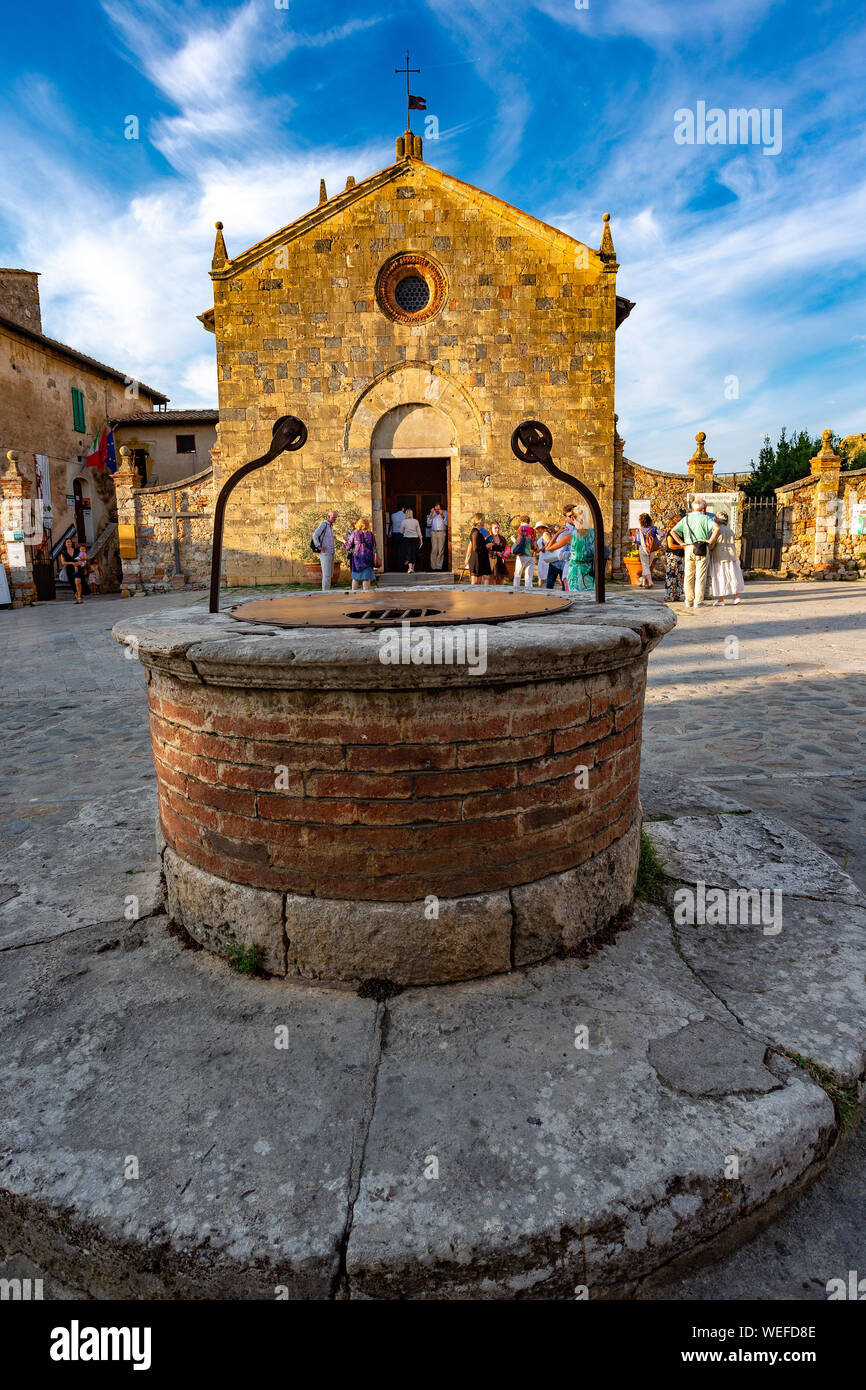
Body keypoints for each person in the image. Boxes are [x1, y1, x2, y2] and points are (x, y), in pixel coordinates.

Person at [671, 499, 715, 609]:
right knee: (700, 576)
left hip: (689, 547)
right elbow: (717, 528)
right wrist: (710, 540)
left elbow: (673, 531)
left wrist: (681, 543)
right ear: (703, 508)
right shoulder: (706, 518)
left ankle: (688, 600)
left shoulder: (685, 519)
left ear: (692, 508)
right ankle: (698, 601)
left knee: (689, 575)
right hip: (702, 548)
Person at [708, 509, 744, 605]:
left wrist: (708, 546)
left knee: (721, 576)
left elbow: (712, 543)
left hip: (720, 556)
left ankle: (721, 599)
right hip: (731, 556)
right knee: (733, 576)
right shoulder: (730, 530)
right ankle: (736, 597)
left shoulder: (717, 530)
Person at [544, 506, 576, 590]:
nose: (573, 518)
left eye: (575, 515)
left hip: (572, 568)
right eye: (570, 516)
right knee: (550, 586)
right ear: (565, 518)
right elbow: (560, 554)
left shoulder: (581, 529)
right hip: (557, 564)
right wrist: (576, 554)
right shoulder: (564, 532)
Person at [345, 517, 378, 592]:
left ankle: (354, 596)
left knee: (355, 579)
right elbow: (374, 546)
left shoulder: (354, 533)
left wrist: (344, 542)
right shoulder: (370, 534)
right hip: (368, 558)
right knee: (366, 579)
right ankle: (366, 596)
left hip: (357, 559)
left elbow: (348, 546)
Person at [632, 512, 662, 589]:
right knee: (647, 565)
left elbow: (638, 541)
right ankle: (643, 582)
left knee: (645, 565)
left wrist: (633, 538)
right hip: (652, 549)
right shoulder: (654, 528)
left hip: (643, 548)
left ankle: (650, 581)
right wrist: (658, 542)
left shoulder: (639, 530)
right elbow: (662, 534)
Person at [566, 515, 595, 592]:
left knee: (575, 595)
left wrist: (558, 533)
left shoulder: (572, 535)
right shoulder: (593, 532)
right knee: (590, 594)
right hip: (589, 569)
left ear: (573, 518)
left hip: (575, 571)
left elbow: (550, 548)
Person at [311, 509, 338, 591]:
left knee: (329, 574)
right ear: (328, 517)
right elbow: (315, 535)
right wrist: (318, 546)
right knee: (326, 575)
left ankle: (327, 591)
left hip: (331, 552)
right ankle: (325, 593)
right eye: (333, 517)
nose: (335, 519)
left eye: (335, 517)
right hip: (325, 553)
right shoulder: (324, 525)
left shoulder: (330, 526)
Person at [664, 513, 686, 603]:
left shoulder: (681, 533)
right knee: (671, 576)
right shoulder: (671, 532)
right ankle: (668, 595)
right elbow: (670, 545)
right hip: (672, 557)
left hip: (680, 557)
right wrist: (682, 546)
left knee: (679, 577)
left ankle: (677, 594)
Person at [511, 515, 536, 589]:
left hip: (522, 554)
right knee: (528, 576)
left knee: (517, 574)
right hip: (531, 555)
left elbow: (518, 541)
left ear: (522, 521)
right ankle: (528, 592)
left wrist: (513, 540)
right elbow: (535, 543)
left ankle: (516, 590)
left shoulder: (522, 528)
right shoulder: (533, 530)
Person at [465, 517, 492, 585]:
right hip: (476, 560)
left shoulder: (477, 532)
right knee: (475, 583)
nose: (484, 521)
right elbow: (475, 548)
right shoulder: (475, 533)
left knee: (479, 583)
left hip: (479, 560)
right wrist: (486, 546)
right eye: (483, 520)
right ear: (479, 521)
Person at [59, 535, 84, 604]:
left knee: (77, 582)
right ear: (65, 544)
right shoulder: (63, 552)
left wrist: (79, 561)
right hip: (69, 569)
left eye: (70, 542)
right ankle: (77, 597)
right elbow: (63, 562)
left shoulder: (76, 550)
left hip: (77, 568)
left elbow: (81, 558)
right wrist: (71, 563)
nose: (69, 543)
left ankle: (79, 597)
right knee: (73, 584)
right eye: (67, 542)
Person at [401, 507, 423, 572]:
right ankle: (413, 568)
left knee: (408, 553)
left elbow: (401, 531)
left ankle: (410, 568)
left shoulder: (404, 521)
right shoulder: (416, 521)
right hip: (415, 539)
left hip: (407, 539)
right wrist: (421, 539)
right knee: (414, 553)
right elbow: (419, 531)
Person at [427, 503, 448, 570]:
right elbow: (428, 524)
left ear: (441, 508)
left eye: (438, 509)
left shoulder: (445, 512)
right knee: (434, 550)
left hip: (442, 532)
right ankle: (433, 567)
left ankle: (439, 566)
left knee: (441, 550)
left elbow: (447, 523)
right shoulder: (432, 513)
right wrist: (432, 514)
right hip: (434, 532)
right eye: (435, 509)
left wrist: (442, 515)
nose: (437, 511)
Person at [388, 504, 406, 569]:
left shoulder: (393, 515)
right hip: (402, 534)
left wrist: (389, 533)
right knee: (402, 550)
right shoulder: (405, 516)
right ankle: (402, 565)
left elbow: (391, 524)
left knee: (395, 550)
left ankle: (394, 565)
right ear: (403, 509)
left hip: (395, 533)